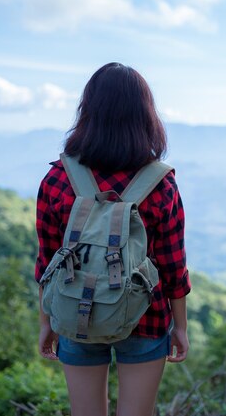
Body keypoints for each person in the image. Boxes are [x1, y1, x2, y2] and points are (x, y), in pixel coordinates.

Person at [35, 62, 191, 416]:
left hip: (76, 311)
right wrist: (180, 327)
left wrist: (47, 322)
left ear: (87, 112)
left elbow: (47, 262)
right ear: (145, 116)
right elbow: (173, 266)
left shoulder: (58, 179)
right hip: (145, 315)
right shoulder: (160, 184)